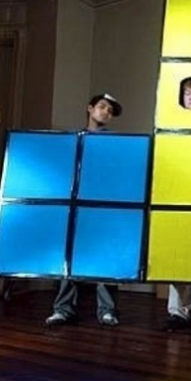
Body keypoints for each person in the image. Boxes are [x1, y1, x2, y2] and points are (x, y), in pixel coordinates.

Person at [45, 93, 123, 327]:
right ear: (90, 108)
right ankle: (63, 309)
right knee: (70, 255)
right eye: (102, 107)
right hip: (77, 207)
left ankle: (107, 310)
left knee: (105, 256)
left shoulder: (115, 143)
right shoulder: (74, 139)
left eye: (110, 111)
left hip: (103, 208)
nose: (106, 112)